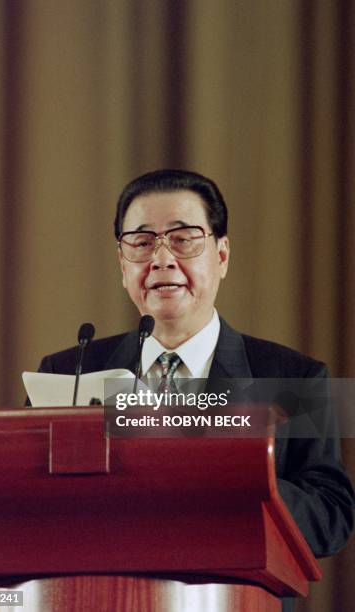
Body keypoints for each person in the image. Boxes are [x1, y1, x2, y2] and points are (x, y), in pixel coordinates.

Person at [37, 169, 354, 611]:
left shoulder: (294, 378)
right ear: (122, 263)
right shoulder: (67, 371)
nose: (162, 259)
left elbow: (332, 515)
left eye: (183, 239)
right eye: (142, 242)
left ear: (222, 255)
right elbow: (33, 501)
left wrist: (230, 483)